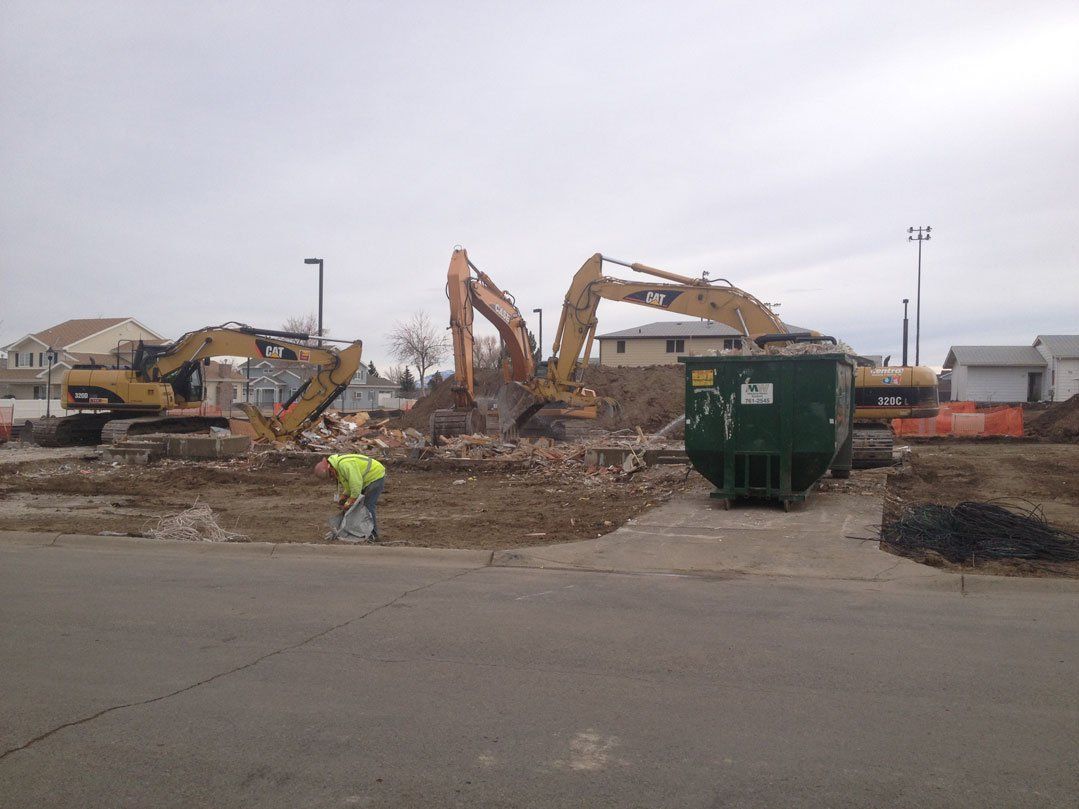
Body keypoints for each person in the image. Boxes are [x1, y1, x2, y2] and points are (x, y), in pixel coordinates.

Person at [314, 453, 386, 539]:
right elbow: (350, 484)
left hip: (375, 476)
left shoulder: (344, 465)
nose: (332, 478)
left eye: (331, 476)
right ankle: (362, 530)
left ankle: (373, 534)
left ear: (330, 468)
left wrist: (350, 502)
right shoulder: (339, 467)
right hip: (366, 479)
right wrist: (344, 496)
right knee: (359, 505)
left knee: (368, 505)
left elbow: (356, 485)